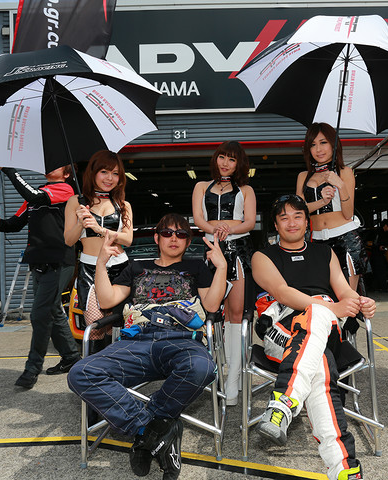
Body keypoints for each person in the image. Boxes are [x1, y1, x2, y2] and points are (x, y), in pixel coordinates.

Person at [67, 213, 227, 480]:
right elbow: (106, 301)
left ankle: (149, 430)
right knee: (80, 373)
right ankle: (149, 430)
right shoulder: (136, 268)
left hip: (181, 340)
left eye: (181, 234)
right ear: (156, 238)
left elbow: (211, 305)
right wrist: (101, 263)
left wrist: (220, 267)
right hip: (136, 341)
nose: (174, 238)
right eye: (167, 233)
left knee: (202, 368)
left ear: (188, 242)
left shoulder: (196, 267)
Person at [251, 194, 377, 480]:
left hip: (324, 330)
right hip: (281, 330)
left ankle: (283, 403)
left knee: (318, 328)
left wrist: (361, 302)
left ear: (307, 222)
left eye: (297, 216)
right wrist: (331, 308)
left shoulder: (325, 252)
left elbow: (345, 292)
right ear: (275, 225)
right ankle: (343, 467)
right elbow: (282, 293)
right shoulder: (262, 256)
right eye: (284, 217)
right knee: (320, 365)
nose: (292, 222)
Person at [0, 166, 81, 389]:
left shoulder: (65, 190)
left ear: (66, 174)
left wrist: (9, 171)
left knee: (39, 314)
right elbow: (15, 223)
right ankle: (71, 357)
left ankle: (32, 368)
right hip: (38, 261)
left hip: (58, 261)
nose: (49, 167)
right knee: (52, 310)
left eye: (56, 165)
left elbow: (35, 196)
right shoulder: (37, 195)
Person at [191, 140, 256, 405]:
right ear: (215, 159)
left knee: (236, 314)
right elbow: (198, 219)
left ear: (239, 164)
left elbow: (249, 221)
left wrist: (229, 229)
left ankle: (233, 379)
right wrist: (215, 231)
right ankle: (216, 371)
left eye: (231, 159)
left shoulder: (246, 190)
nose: (225, 163)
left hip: (238, 249)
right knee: (212, 312)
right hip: (210, 249)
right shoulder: (200, 186)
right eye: (222, 157)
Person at [64, 150, 133, 349]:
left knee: (116, 328)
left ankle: (117, 366)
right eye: (104, 172)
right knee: (94, 328)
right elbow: (68, 240)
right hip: (89, 269)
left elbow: (128, 239)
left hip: (119, 269)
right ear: (93, 173)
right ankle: (94, 368)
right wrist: (80, 223)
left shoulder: (123, 205)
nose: (109, 178)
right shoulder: (76, 202)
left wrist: (100, 230)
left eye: (115, 173)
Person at [296, 123, 364, 292]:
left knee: (348, 298)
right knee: (321, 296)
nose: (318, 149)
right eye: (313, 144)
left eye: (323, 142)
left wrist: (340, 185)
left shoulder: (345, 172)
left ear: (334, 145)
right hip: (316, 241)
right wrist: (322, 201)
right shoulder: (303, 176)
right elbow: (298, 212)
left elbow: (348, 214)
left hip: (346, 240)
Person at [371, 219, 388, 291]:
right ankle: (382, 287)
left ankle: (376, 287)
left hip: (380, 255)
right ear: (385, 225)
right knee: (380, 271)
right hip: (377, 255)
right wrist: (379, 247)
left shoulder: (383, 233)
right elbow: (374, 243)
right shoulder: (378, 233)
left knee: (378, 271)